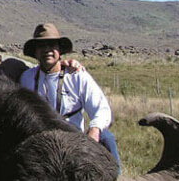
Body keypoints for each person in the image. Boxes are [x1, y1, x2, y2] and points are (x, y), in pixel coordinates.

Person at [19, 23, 121, 168]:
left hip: (74, 143)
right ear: (35, 52)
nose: (47, 50)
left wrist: (94, 130)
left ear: (59, 50)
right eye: (41, 46)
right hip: (39, 145)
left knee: (106, 138)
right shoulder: (26, 78)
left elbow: (102, 109)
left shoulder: (77, 76)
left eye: (52, 45)